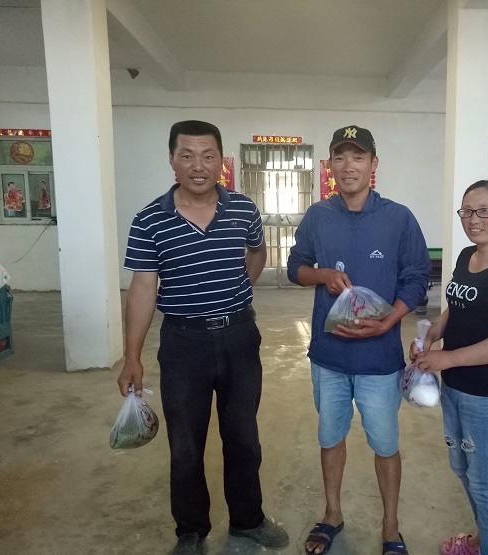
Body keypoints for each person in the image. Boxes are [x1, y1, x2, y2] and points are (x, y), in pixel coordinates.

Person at [117, 120, 288, 555]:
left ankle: (248, 520)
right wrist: (132, 356)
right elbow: (143, 288)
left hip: (239, 338)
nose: (198, 166)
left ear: (220, 162)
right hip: (183, 343)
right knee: (186, 445)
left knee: (244, 438)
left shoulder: (243, 209)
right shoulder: (150, 220)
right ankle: (190, 531)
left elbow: (256, 252)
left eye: (208, 156)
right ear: (172, 160)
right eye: (187, 156)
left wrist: (237, 293)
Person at [287, 125, 429, 555]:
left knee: (385, 444)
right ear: (330, 164)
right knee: (330, 437)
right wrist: (322, 274)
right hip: (328, 356)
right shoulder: (318, 216)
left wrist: (389, 323)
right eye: (340, 157)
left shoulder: (398, 218)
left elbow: (416, 278)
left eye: (358, 156)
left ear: (373, 163)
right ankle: (332, 514)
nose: (348, 166)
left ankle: (390, 527)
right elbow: (295, 267)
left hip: (379, 359)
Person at [410, 180, 488, 555]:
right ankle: (483, 541)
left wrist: (447, 357)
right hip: (455, 388)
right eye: (466, 211)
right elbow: (457, 306)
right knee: (464, 469)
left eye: (484, 211)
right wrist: (433, 333)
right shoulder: (468, 255)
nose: (473, 219)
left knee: (486, 484)